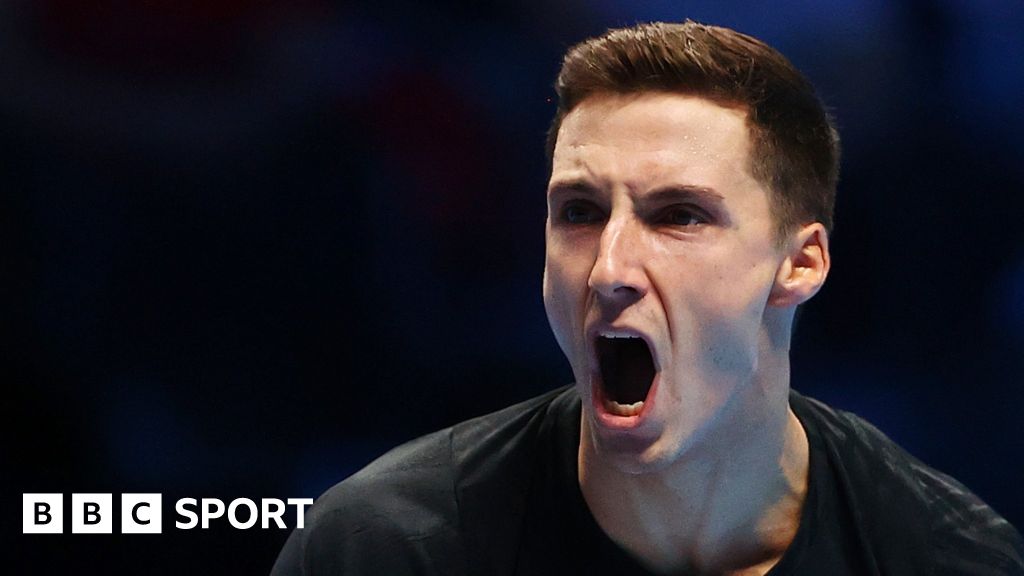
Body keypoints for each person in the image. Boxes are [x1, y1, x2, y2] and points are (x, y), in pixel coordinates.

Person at [271, 20, 1024, 575]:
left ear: (799, 264)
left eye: (678, 216)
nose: (608, 268)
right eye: (579, 212)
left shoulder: (946, 557)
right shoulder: (380, 549)